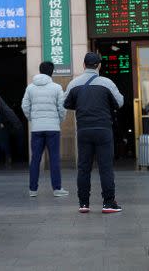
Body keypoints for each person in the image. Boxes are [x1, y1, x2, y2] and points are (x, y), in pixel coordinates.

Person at [63, 52, 124, 214]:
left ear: (84, 65)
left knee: (83, 168)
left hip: (83, 130)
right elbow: (119, 102)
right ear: (99, 65)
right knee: (106, 167)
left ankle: (84, 203)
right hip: (103, 129)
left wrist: (82, 106)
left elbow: (65, 102)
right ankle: (108, 203)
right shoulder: (107, 83)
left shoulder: (74, 83)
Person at [21, 61, 69, 197]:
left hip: (36, 129)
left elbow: (24, 106)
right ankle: (57, 189)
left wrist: (32, 118)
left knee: (35, 159)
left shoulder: (30, 88)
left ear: (40, 70)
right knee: (54, 158)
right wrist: (58, 120)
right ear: (52, 72)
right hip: (53, 128)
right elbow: (62, 107)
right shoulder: (57, 87)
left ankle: (33, 190)